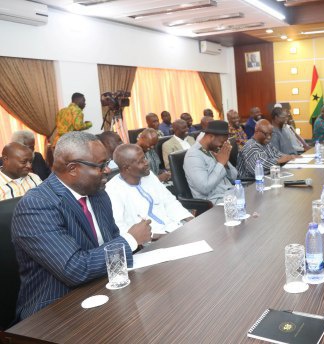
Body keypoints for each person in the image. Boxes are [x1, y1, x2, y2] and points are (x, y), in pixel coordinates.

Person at [11, 132, 152, 320]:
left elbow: (110, 243)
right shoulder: (36, 205)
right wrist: (131, 239)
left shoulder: (98, 194)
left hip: (102, 291)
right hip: (54, 311)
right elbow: (74, 268)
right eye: (101, 165)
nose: (108, 170)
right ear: (72, 169)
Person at [106, 144, 193, 235]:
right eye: (141, 161)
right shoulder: (112, 190)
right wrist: (152, 237)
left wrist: (187, 218)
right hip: (150, 241)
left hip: (175, 228)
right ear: (127, 168)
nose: (147, 162)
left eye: (145, 158)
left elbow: (169, 201)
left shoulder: (149, 176)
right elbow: (119, 227)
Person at [183, 120, 237, 204]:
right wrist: (220, 164)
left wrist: (225, 164)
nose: (222, 145)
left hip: (230, 194)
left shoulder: (213, 150)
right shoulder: (193, 156)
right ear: (211, 136)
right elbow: (204, 188)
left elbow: (234, 177)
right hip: (213, 202)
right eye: (221, 142)